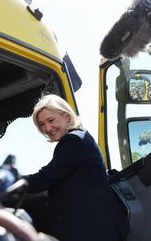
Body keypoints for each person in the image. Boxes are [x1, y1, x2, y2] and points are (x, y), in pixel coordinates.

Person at [24, 94, 127, 241]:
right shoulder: (81, 137)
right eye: (41, 124)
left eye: (51, 120)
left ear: (66, 117)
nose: (47, 128)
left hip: (95, 232)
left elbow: (43, 179)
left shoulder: (73, 141)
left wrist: (2, 179)